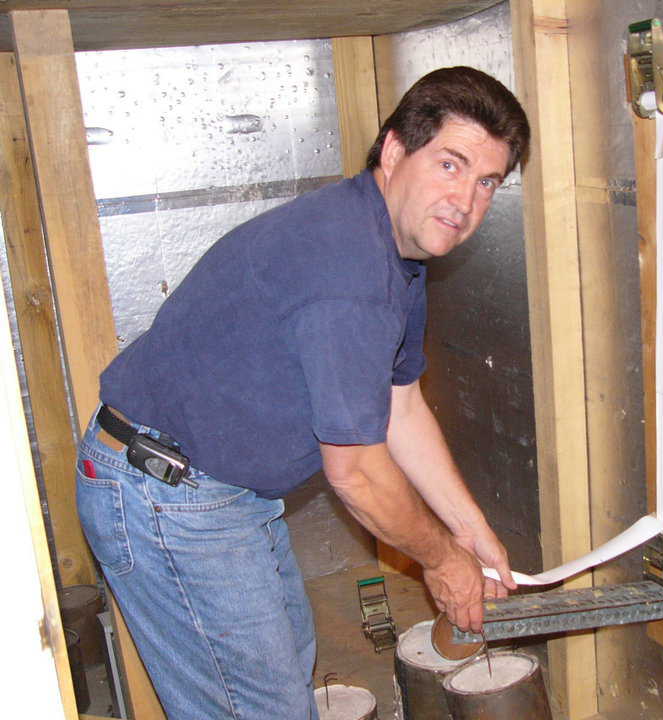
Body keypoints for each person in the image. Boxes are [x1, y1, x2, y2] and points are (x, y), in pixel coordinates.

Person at [76, 66, 530, 719]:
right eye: (450, 165)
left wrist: (472, 531)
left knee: (282, 685)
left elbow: (401, 404)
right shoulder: (347, 271)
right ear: (396, 149)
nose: (467, 201)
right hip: (165, 492)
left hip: (217, 490)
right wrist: (442, 561)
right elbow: (358, 475)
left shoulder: (394, 248)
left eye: (487, 181)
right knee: (257, 710)